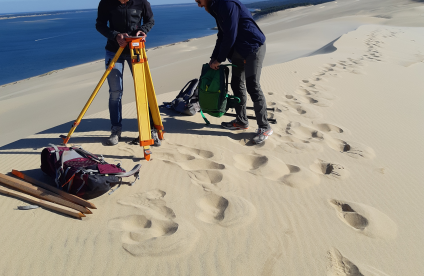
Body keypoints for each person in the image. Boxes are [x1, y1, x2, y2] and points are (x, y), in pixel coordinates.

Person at [196, 0, 272, 144]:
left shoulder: (226, 3)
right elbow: (222, 35)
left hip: (252, 48)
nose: (199, 5)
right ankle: (242, 121)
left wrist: (220, 59)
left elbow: (231, 33)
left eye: (199, 1)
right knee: (236, 83)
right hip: (238, 51)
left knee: (252, 86)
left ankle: (265, 127)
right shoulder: (216, 7)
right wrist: (214, 57)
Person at [96, 0, 159, 146]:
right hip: (113, 50)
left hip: (136, 50)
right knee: (115, 92)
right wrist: (116, 35)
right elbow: (100, 25)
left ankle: (150, 130)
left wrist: (143, 30)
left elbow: (150, 21)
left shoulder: (142, 2)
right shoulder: (106, 2)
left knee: (143, 90)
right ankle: (116, 130)